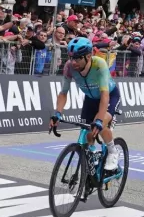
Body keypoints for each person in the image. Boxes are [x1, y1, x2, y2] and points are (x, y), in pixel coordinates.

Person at [49, 37, 122, 173]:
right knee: (88, 134)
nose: (73, 62)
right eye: (71, 57)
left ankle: (113, 152)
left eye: (77, 58)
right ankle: (92, 159)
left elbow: (104, 95)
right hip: (90, 98)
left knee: (100, 125)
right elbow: (63, 93)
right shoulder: (69, 67)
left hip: (109, 96)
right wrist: (57, 113)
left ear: (88, 56)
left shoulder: (99, 64)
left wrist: (99, 120)